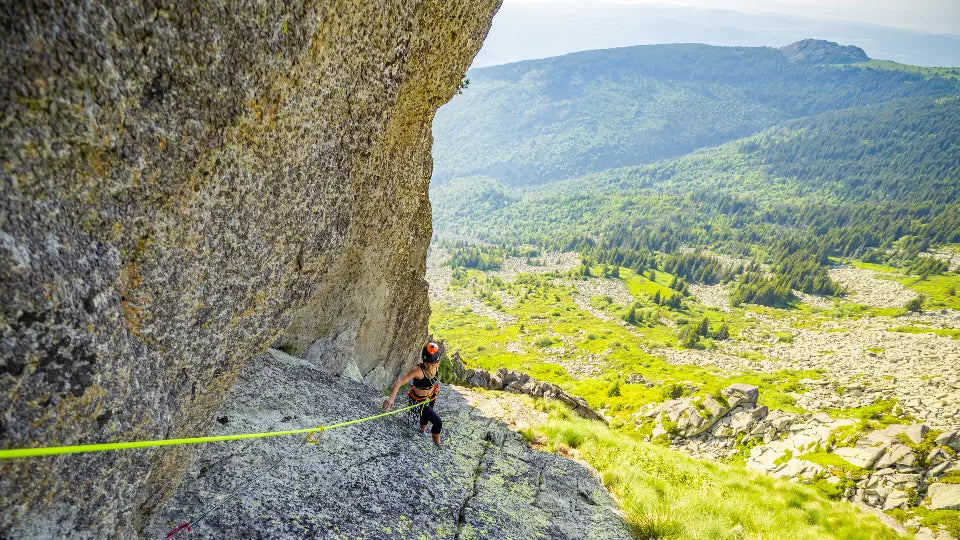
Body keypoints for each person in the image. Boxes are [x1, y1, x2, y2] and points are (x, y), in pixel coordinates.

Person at [383, 342, 443, 446]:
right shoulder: (417, 371)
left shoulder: (436, 365)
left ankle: (422, 431)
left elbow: (432, 379)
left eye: (432, 365)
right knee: (438, 422)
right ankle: (438, 445)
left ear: (438, 362)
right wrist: (391, 397)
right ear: (423, 361)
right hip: (418, 401)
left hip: (431, 397)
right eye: (427, 364)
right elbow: (399, 382)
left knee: (425, 417)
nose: (429, 367)